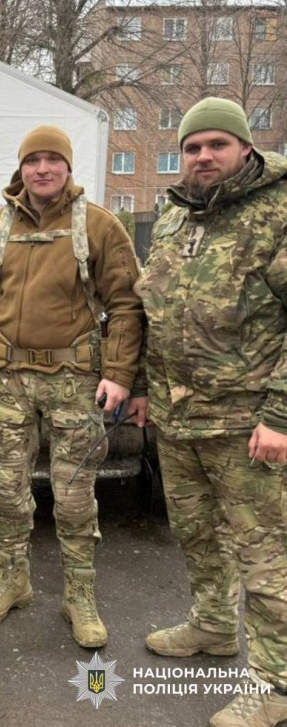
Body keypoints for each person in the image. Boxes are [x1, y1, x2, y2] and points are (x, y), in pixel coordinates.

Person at [0, 126, 145, 648]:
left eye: (52, 160)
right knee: (7, 489)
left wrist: (120, 374)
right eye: (33, 160)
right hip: (10, 381)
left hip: (75, 383)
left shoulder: (99, 226)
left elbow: (128, 304)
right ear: (21, 168)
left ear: (67, 166)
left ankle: (79, 593)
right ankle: (12, 579)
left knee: (74, 494)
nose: (42, 169)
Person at [135, 97, 287, 727]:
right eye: (193, 147)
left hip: (247, 420)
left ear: (245, 149)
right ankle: (215, 627)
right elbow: (157, 308)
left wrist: (280, 416)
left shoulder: (277, 211)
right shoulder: (174, 216)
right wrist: (145, 387)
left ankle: (275, 685)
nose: (202, 157)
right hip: (178, 416)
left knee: (266, 556)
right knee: (196, 534)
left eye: (217, 145)